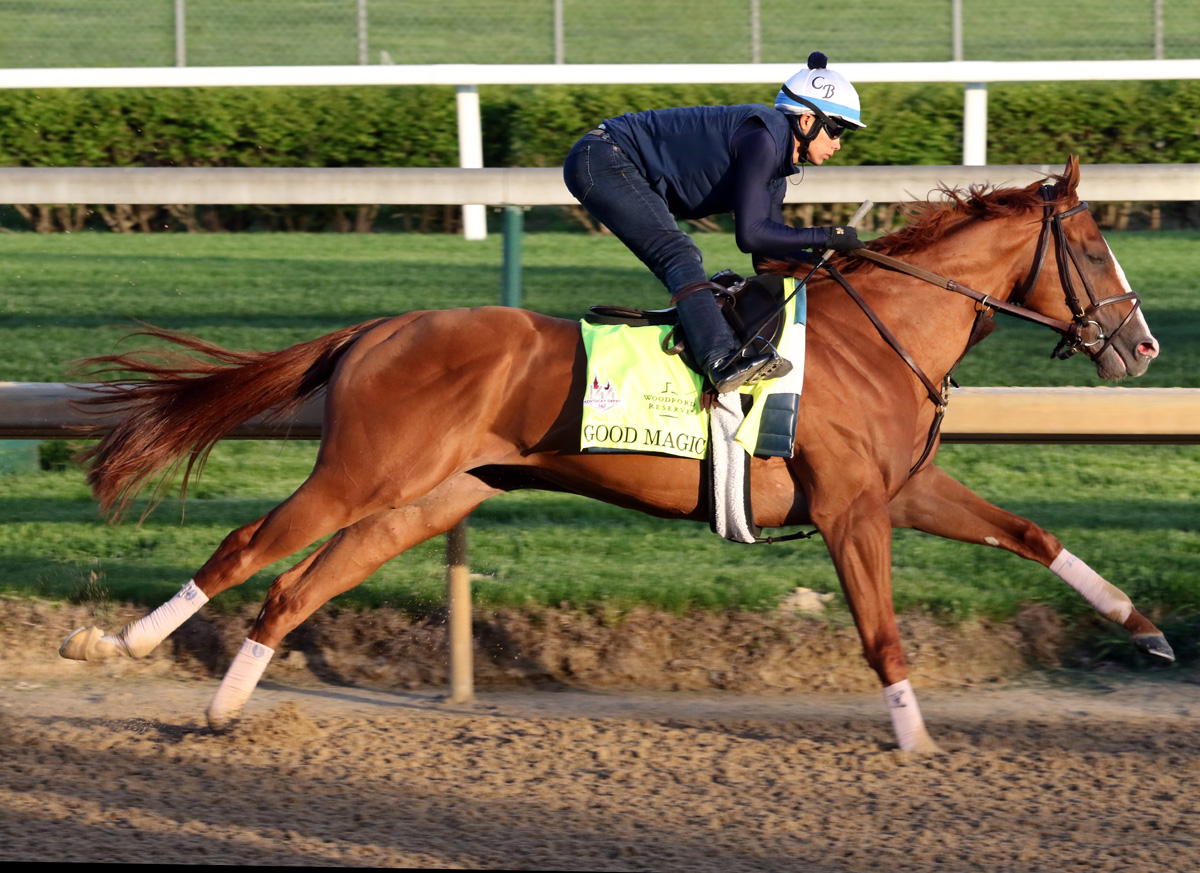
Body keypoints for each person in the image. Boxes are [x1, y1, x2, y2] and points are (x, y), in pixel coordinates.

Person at [563, 51, 867, 394]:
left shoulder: (776, 166)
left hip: (611, 160)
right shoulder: (763, 138)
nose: (839, 144)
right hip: (603, 158)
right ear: (808, 121)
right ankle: (719, 360)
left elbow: (768, 258)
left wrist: (844, 267)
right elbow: (751, 235)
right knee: (679, 254)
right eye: (836, 129)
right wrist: (827, 235)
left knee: (681, 253)